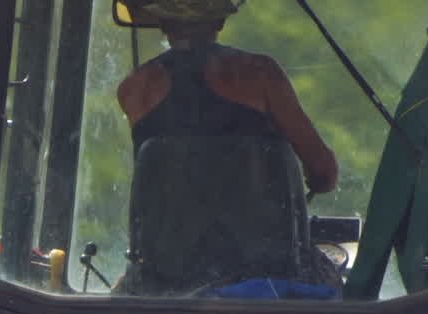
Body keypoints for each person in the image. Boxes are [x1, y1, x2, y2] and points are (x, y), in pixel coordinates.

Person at [118, 0, 338, 197]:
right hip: (260, 241)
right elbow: (324, 172)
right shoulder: (261, 73)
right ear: (220, 21)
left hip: (161, 243)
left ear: (163, 23)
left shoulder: (134, 88)